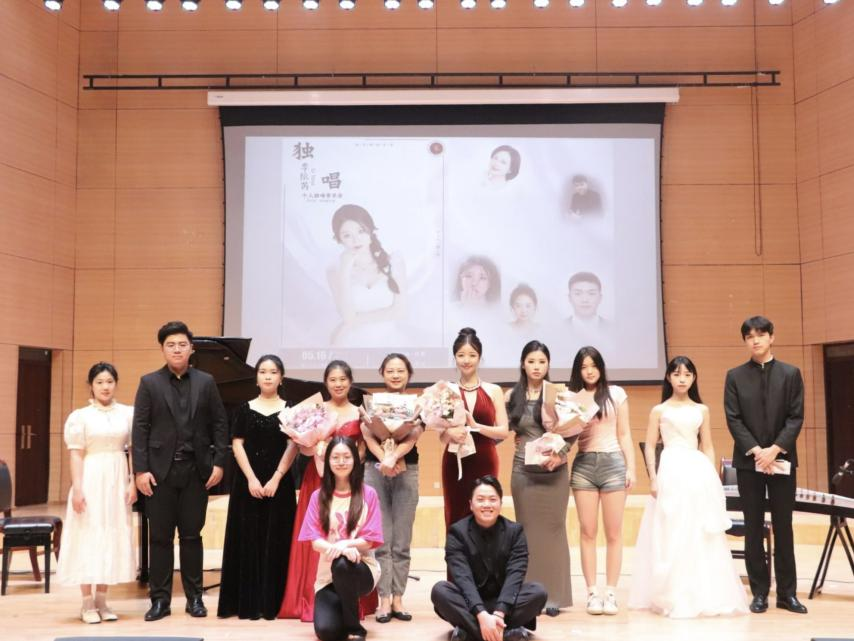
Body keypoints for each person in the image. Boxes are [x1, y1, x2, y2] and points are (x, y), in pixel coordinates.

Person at [628, 356, 748, 617]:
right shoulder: (659, 410)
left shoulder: (701, 410)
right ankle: (673, 593)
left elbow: (708, 445)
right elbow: (650, 445)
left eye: (687, 374)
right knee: (671, 528)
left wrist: (712, 476)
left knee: (698, 530)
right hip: (670, 468)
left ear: (694, 378)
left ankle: (701, 592)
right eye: (676, 374)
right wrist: (652, 477)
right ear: (668, 377)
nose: (681, 379)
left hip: (696, 470)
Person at [132, 321, 229, 621]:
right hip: (159, 474)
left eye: (182, 344)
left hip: (196, 471)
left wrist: (219, 462)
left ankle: (194, 598)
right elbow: (140, 429)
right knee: (160, 538)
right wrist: (140, 471)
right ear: (162, 349)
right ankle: (160, 601)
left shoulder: (206, 382)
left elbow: (220, 424)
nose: (177, 349)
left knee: (191, 536)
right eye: (171, 345)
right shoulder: (149, 383)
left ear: (191, 348)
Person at [280, 360, 377, 621]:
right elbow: (303, 448)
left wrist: (348, 463)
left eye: (343, 379)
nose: (338, 384)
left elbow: (363, 449)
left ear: (350, 382)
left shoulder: (360, 412)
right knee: (319, 533)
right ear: (326, 382)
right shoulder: (315, 410)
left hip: (348, 480)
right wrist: (314, 447)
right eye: (333, 380)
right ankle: (312, 599)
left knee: (348, 529)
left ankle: (350, 599)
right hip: (318, 480)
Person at [724, 316, 807, 614]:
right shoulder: (734, 376)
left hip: (782, 460)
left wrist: (774, 449)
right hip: (750, 463)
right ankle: (759, 592)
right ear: (745, 341)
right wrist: (758, 451)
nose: (755, 340)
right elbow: (733, 418)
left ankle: (787, 594)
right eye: (749, 336)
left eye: (761, 334)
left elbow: (796, 417)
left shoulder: (790, 374)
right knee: (753, 526)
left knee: (784, 526)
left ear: (772, 337)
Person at [217, 355, 299, 620]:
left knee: (278, 540)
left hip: (280, 484)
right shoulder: (244, 409)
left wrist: (276, 477)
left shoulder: (290, 409)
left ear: (281, 377)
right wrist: (252, 479)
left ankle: (273, 603)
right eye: (263, 371)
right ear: (256, 378)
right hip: (247, 484)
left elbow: (293, 445)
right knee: (248, 539)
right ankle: (248, 603)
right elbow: (237, 444)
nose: (268, 376)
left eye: (273, 372)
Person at [56, 362, 136, 624]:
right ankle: (86, 602)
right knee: (88, 535)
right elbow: (76, 455)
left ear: (116, 384)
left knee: (111, 534)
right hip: (91, 478)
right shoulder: (80, 417)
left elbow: (133, 451)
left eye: (110, 381)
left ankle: (102, 600)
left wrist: (132, 481)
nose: (105, 387)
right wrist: (78, 489)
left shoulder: (127, 414)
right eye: (100, 382)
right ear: (91, 385)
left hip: (117, 478)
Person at [431, 475, 547, 641]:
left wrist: (499, 613)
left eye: (492, 499)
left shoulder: (515, 532)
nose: (487, 504)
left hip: (505, 603)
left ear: (500, 503)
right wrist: (481, 614)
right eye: (480, 500)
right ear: (471, 504)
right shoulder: (457, 532)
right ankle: (503, 634)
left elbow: (515, 575)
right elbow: (462, 578)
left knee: (538, 592)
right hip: (470, 603)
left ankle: (471, 634)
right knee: (440, 591)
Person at [506, 341, 572, 616]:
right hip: (523, 472)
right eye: (531, 361)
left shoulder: (559, 393)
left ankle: (554, 596)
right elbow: (508, 429)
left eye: (542, 362)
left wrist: (560, 453)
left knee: (555, 530)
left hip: (553, 471)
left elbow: (573, 431)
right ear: (523, 364)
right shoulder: (512, 395)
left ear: (548, 365)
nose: (536, 366)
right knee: (527, 532)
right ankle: (529, 596)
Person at [567, 346, 635, 615]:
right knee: (587, 531)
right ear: (578, 371)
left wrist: (631, 468)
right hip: (584, 465)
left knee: (614, 533)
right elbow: (566, 437)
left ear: (601, 367)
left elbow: (625, 434)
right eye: (584, 367)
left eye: (593, 365)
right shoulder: (572, 397)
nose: (589, 371)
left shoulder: (616, 394)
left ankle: (611, 593)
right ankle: (592, 593)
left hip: (613, 464)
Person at [299, 436, 384, 641]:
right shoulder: (318, 496)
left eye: (346, 456)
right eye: (335, 457)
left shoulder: (368, 494)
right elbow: (315, 541)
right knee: (327, 632)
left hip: (361, 570)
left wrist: (345, 544)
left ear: (355, 459)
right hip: (327, 577)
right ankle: (343, 614)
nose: (341, 461)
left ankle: (355, 627)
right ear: (328, 461)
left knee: (342, 564)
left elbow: (370, 540)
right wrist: (342, 549)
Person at [361, 353, 422, 623]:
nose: (395, 375)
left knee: (402, 540)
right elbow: (367, 434)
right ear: (382, 374)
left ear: (409, 374)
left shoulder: (418, 404)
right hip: (375, 470)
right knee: (381, 538)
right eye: (390, 371)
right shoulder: (371, 403)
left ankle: (399, 598)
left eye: (400, 371)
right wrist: (384, 460)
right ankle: (384, 599)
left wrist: (394, 457)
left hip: (407, 470)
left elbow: (413, 435)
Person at [441, 328, 510, 530]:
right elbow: (442, 436)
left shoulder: (494, 390)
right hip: (455, 461)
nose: (466, 360)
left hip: (485, 459)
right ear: (455, 358)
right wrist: (449, 433)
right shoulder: (447, 391)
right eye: (461, 355)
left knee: (485, 513)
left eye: (472, 355)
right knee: (455, 514)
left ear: (480, 357)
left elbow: (503, 431)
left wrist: (476, 427)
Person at [327, 204, 407, 347]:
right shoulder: (335, 272)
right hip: (350, 342)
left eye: (361, 231)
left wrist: (354, 320)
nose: (356, 240)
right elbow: (346, 315)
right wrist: (345, 269)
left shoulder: (394, 262)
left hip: (390, 342)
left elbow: (400, 311)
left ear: (371, 231)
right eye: (347, 235)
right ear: (339, 239)